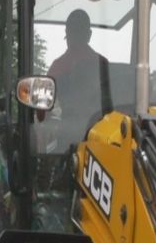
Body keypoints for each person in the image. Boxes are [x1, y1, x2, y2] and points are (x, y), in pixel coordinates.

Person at [45, 9, 112, 145]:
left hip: (67, 140)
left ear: (67, 34)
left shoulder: (57, 67)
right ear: (89, 35)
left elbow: (42, 113)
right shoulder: (104, 64)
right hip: (103, 138)